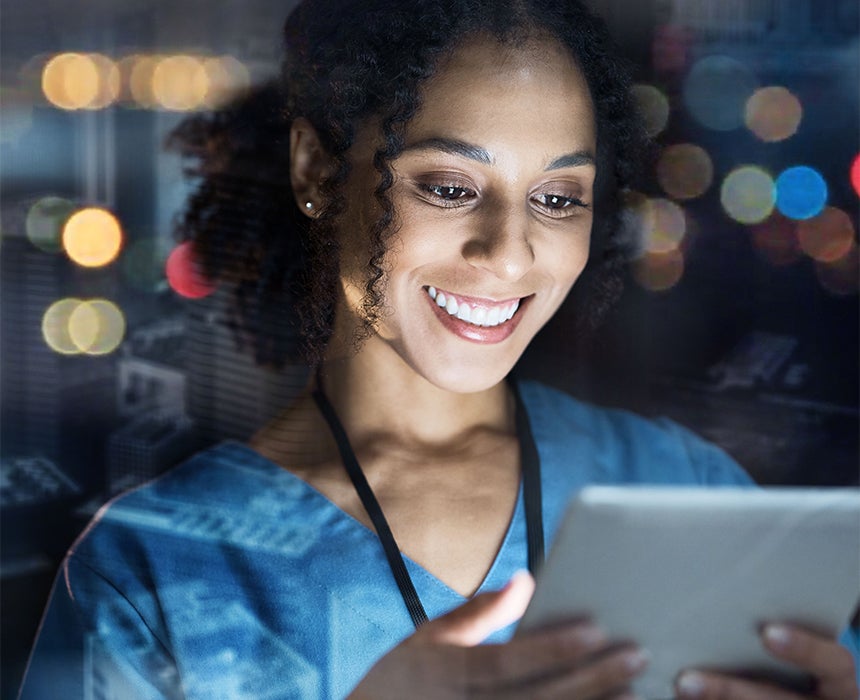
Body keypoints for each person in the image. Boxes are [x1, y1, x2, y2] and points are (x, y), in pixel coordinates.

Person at [19, 1, 859, 698]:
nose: (508, 253)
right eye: (452, 188)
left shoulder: (686, 490)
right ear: (317, 171)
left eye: (559, 197)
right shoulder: (153, 570)